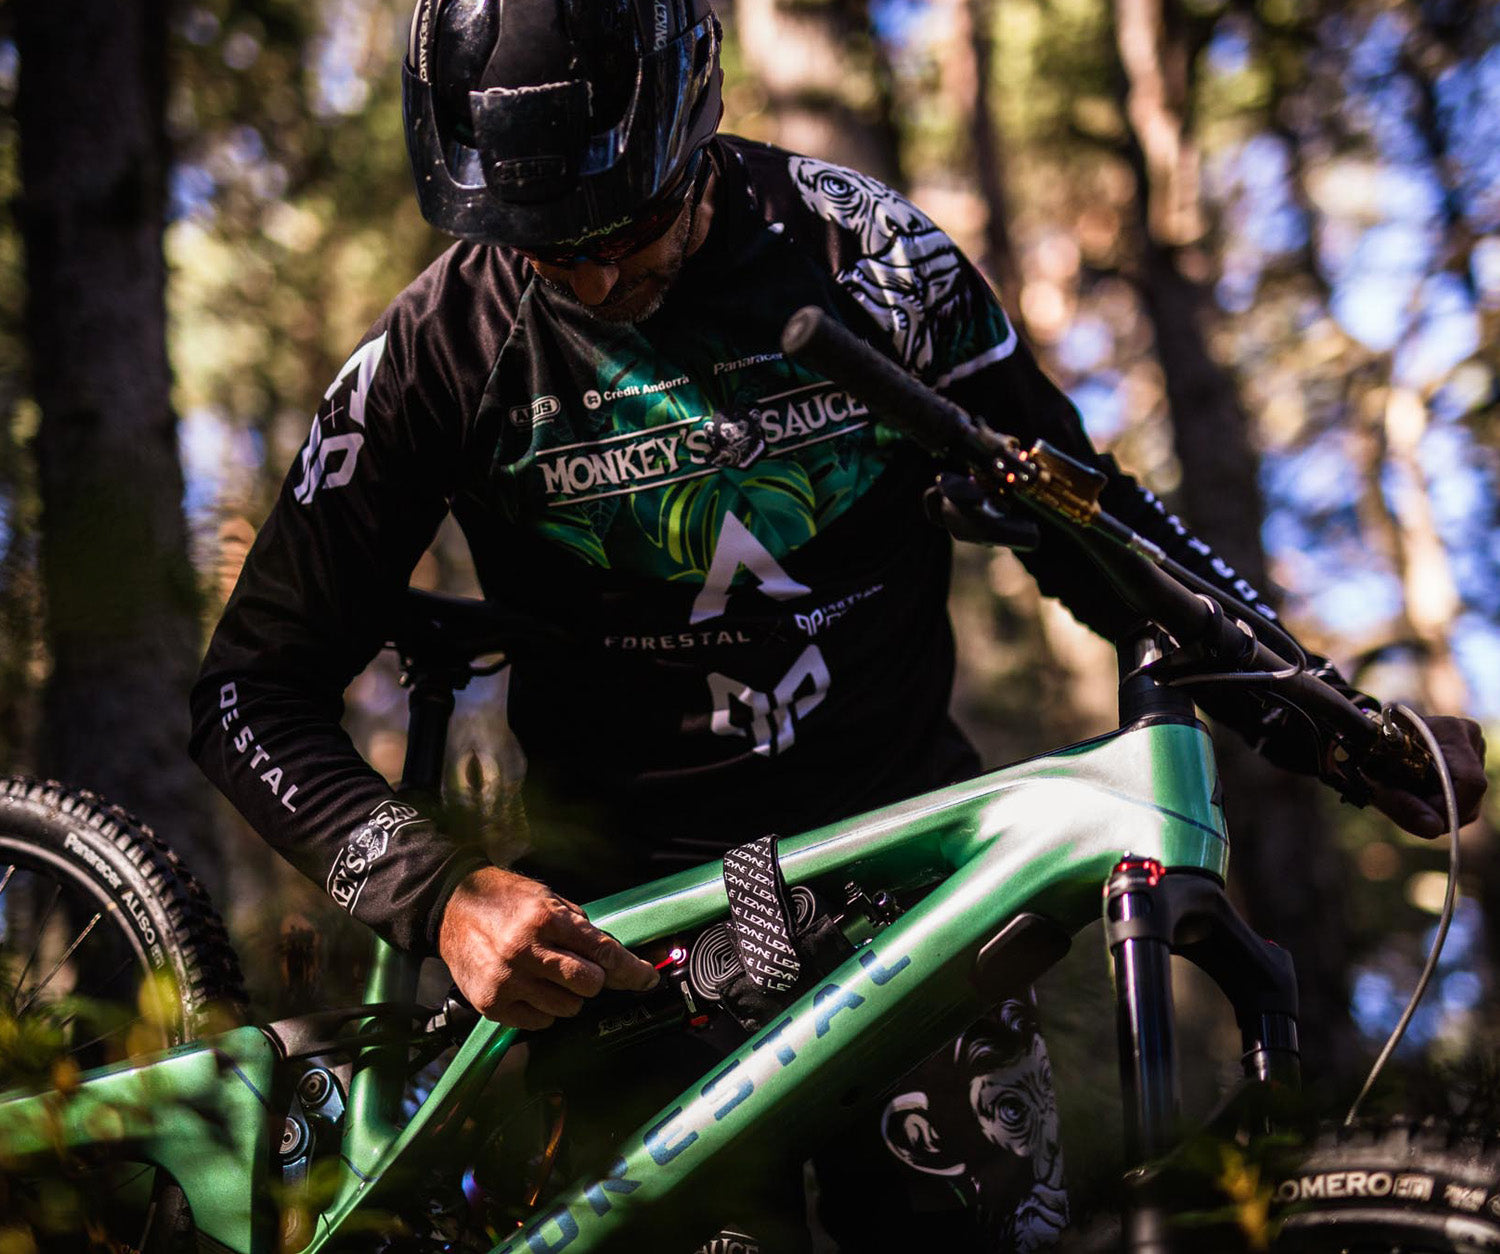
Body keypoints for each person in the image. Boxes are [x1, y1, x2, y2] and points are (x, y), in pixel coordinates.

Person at [190, 0, 1488, 1248]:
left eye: (627, 224)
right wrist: (442, 895)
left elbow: (1093, 530)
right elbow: (247, 689)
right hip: (630, 952)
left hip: (913, 904)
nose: (590, 266)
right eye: (541, 236)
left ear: (695, 111)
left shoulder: (869, 259)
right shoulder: (438, 350)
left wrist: (1328, 724)